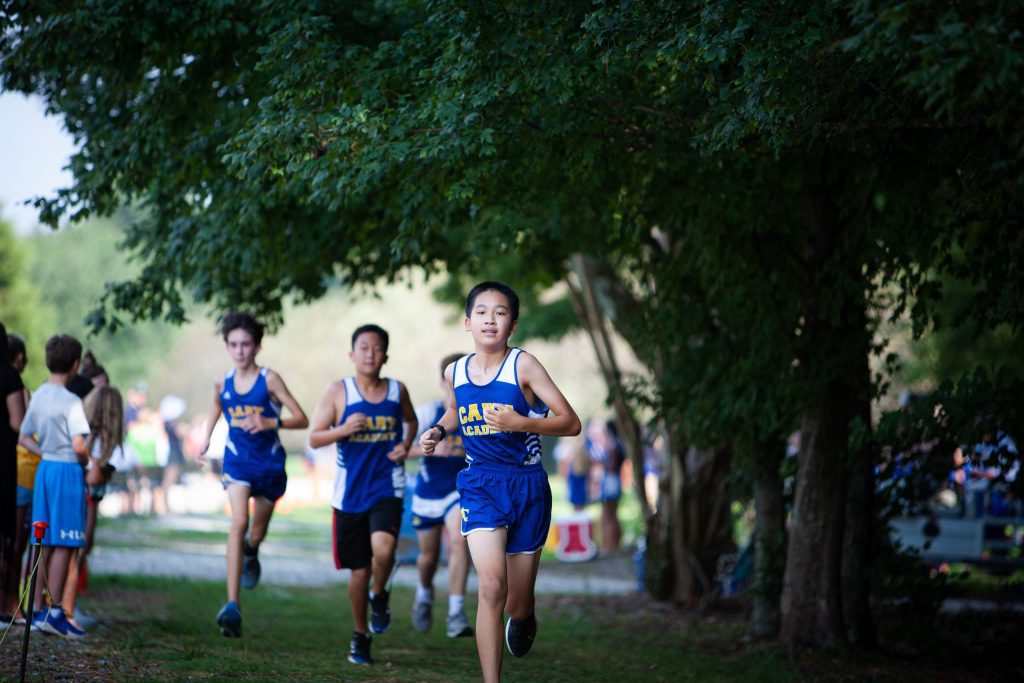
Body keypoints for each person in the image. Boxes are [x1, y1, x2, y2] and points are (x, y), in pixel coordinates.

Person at [419, 281, 581, 683]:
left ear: (512, 325)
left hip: (527, 487)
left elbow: (571, 422)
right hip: (480, 484)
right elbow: (455, 410)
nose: (490, 319)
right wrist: (437, 431)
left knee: (515, 602)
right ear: (467, 322)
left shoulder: (523, 366)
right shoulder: (454, 371)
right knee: (491, 586)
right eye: (482, 312)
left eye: (501, 312)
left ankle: (524, 618)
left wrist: (522, 422)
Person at [308, 324, 417, 665]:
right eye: (364, 348)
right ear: (352, 354)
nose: (371, 354)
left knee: (383, 551)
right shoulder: (338, 391)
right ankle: (360, 635)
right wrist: (343, 429)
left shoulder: (397, 390)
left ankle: (380, 594)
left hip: (387, 486)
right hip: (349, 494)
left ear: (386, 354)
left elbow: (411, 422)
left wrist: (405, 444)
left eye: (377, 348)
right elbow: (314, 437)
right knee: (358, 571)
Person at [197, 312, 309, 638]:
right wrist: (206, 437)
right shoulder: (223, 380)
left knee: (254, 534)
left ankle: (252, 551)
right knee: (238, 523)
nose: (240, 350)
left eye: (246, 344)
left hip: (270, 466)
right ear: (227, 346)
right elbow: (216, 405)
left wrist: (270, 422)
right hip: (238, 463)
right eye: (233, 344)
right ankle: (232, 605)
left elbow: (301, 418)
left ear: (257, 346)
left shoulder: (269, 380)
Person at [18, 334, 90, 638]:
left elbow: (23, 436)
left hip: (44, 469)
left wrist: (44, 453)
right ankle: (56, 610)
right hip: (67, 471)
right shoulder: (72, 401)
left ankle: (35, 610)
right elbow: (78, 444)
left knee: (42, 538)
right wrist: (86, 459)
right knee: (66, 540)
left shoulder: (39, 396)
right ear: (75, 364)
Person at [407, 352, 474, 639]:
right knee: (428, 558)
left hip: (460, 491)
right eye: (451, 382)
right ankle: (424, 592)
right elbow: (397, 451)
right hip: (428, 492)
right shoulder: (426, 413)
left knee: (459, 542)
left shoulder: (476, 413)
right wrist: (426, 448)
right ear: (441, 382)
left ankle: (456, 613)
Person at [62, 385, 128, 629]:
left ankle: (68, 604)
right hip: (87, 498)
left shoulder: (84, 431)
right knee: (80, 547)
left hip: (84, 496)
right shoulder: (100, 440)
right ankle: (67, 606)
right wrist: (101, 468)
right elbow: (93, 477)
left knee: (77, 549)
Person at [0, 324, 27, 625]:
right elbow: (18, 422)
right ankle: (6, 603)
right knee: (6, 534)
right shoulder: (9, 376)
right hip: (4, 458)